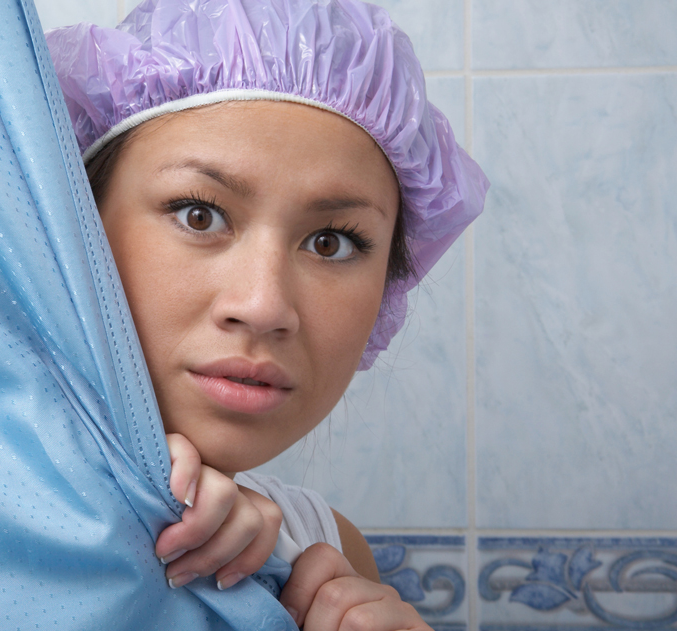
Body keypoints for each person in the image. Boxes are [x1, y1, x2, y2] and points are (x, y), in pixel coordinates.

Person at [46, 0, 488, 626]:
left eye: (332, 241)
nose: (263, 306)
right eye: (199, 213)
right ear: (79, 230)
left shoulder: (325, 555)